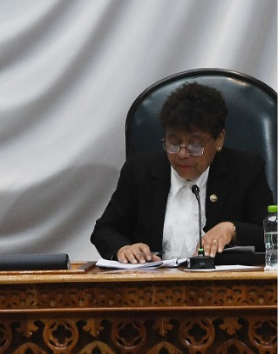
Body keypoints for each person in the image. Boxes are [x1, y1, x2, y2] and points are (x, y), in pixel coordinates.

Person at [91, 82, 273, 263]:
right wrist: (124, 248)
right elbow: (105, 230)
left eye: (195, 145)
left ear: (219, 140)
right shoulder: (140, 171)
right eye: (174, 143)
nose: (183, 154)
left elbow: (270, 232)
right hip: (154, 286)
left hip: (223, 287)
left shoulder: (245, 169)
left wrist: (232, 229)